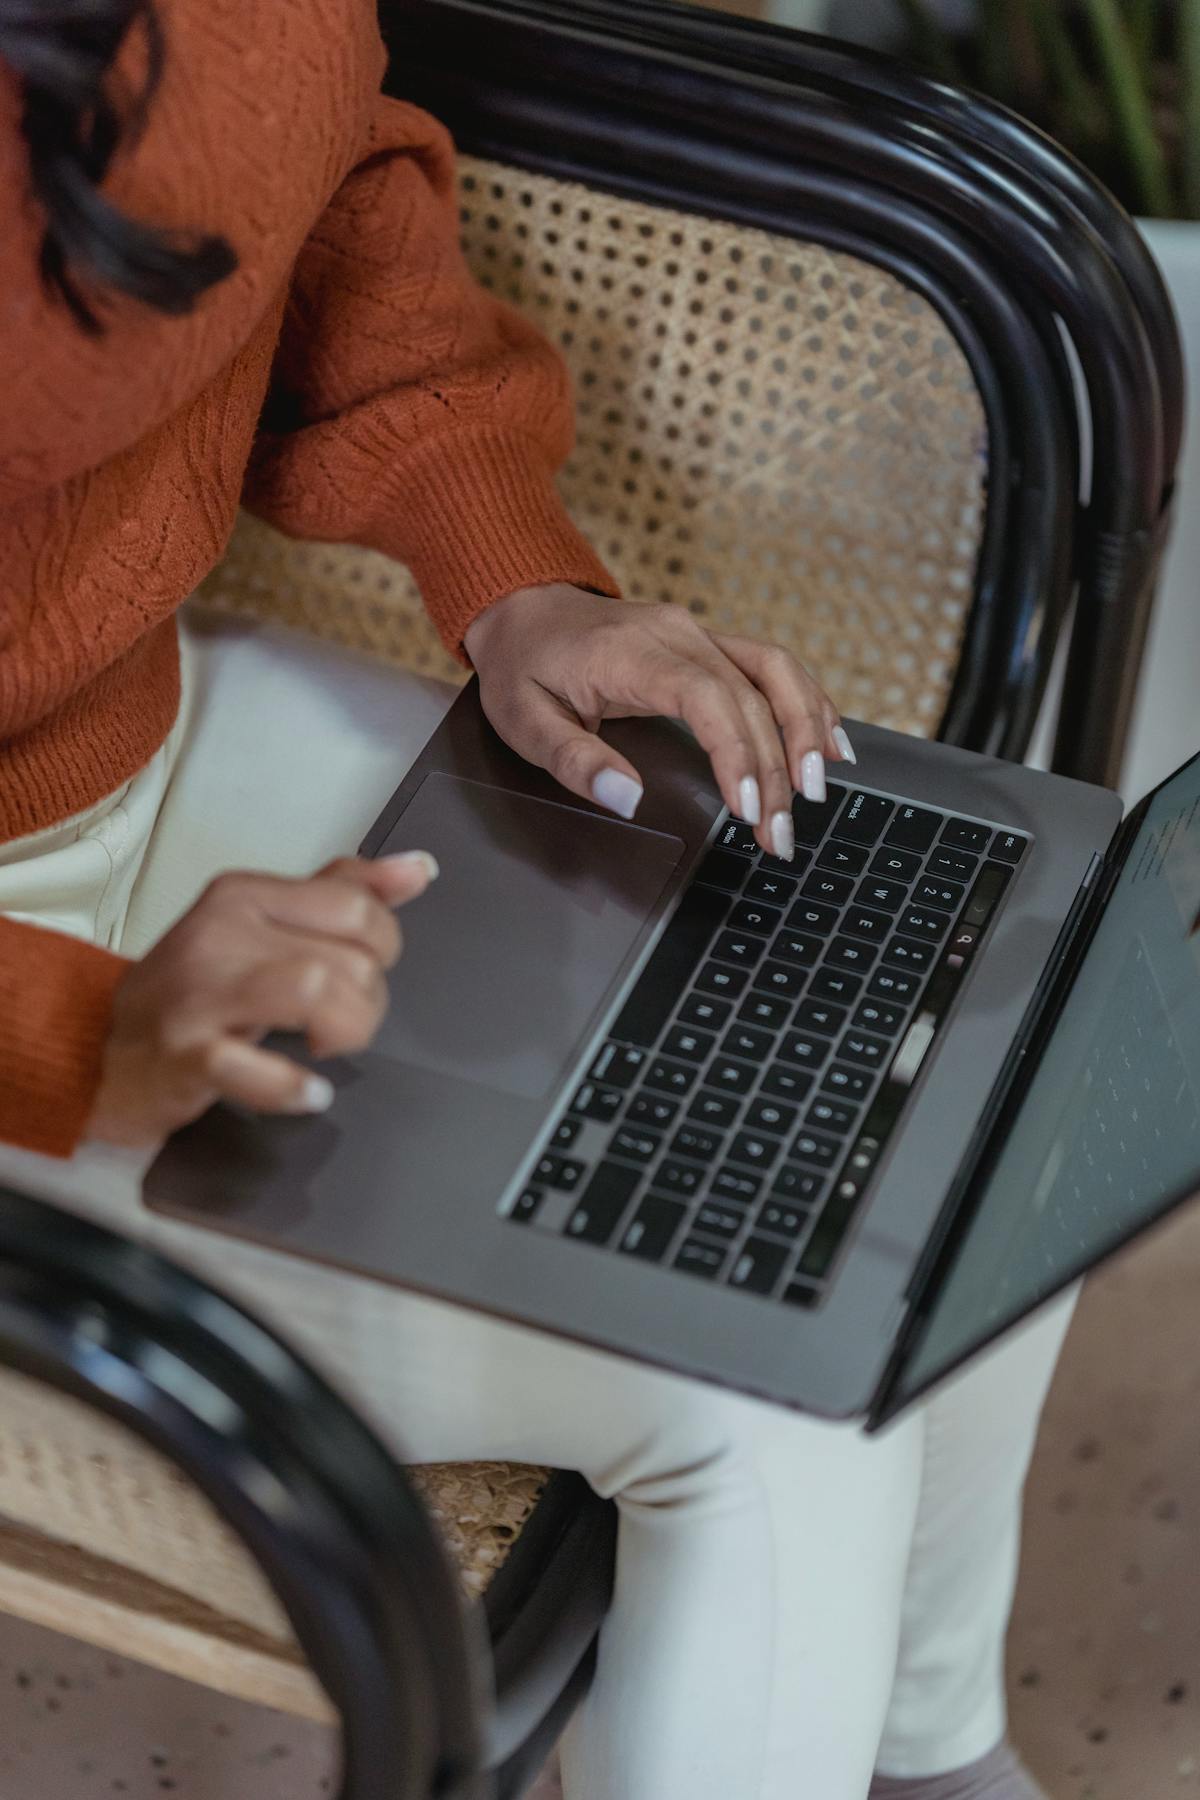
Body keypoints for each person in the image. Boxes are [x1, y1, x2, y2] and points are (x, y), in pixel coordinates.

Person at [0, 2, 1069, 1794]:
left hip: (135, 733)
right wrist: (73, 1040)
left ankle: (922, 1760)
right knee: (762, 1373)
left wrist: (511, 574)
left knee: (959, 1060)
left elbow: (318, 168)